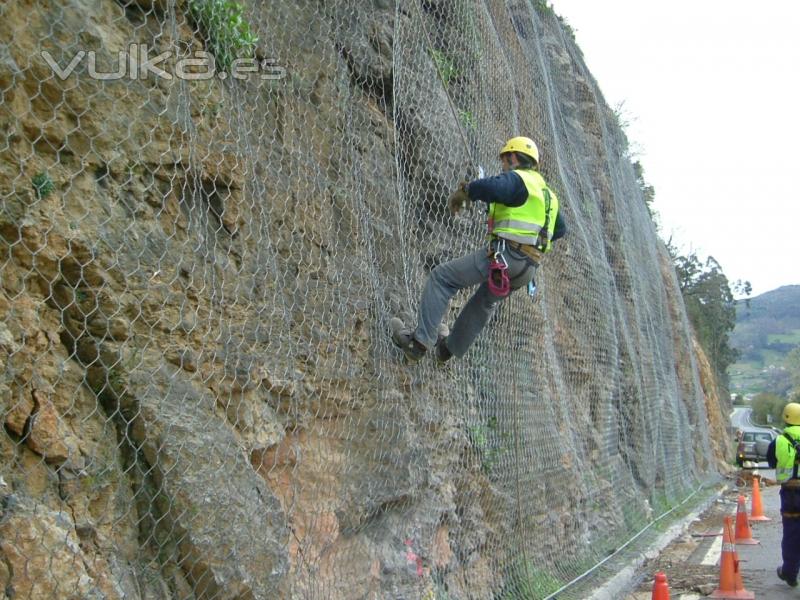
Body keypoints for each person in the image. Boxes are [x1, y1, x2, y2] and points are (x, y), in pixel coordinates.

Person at [390, 136, 566, 363]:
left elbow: (496, 187)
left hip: (505, 255)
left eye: (504, 161)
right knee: (483, 304)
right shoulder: (548, 196)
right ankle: (446, 351)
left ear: (513, 158)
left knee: (442, 278)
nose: (503, 166)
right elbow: (560, 229)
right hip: (528, 268)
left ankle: (419, 342)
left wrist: (468, 191)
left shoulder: (518, 179)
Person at [766, 402, 800, 588]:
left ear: (786, 418)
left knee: (792, 534)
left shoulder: (778, 441)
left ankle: (790, 572)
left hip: (791, 494)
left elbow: (771, 462)